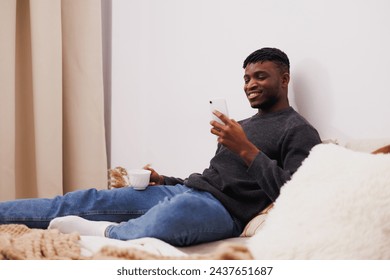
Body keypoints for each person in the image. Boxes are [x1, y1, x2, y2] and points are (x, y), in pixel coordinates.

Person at [0, 47, 322, 246]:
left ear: (284, 79)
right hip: (186, 191)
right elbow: (212, 178)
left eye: (260, 76)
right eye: (246, 78)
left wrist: (245, 149)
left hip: (224, 212)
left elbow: (294, 194)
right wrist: (164, 180)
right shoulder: (243, 125)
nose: (250, 85)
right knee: (89, 198)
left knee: (180, 213)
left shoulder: (299, 131)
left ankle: (108, 234)